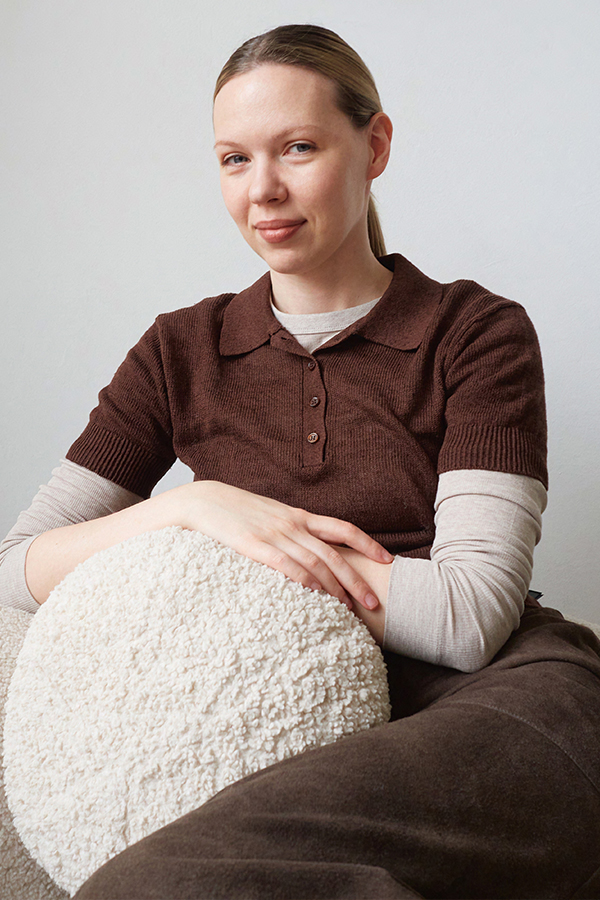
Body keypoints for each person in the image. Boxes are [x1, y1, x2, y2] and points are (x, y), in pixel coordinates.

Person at [2, 23, 600, 900]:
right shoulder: (177, 351)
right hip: (271, 698)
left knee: (169, 880)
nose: (263, 190)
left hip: (493, 697)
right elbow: (17, 566)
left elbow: (469, 616)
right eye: (234, 160)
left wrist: (260, 556)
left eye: (298, 148)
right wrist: (190, 510)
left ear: (375, 145)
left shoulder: (477, 332)